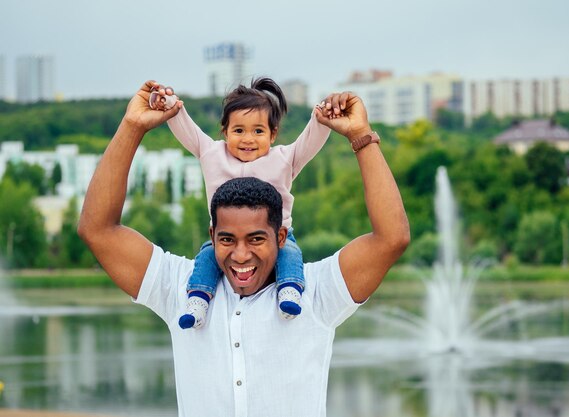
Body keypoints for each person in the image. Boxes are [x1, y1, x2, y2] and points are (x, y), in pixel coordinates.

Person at [77, 80, 410, 417]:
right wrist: (132, 126)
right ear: (212, 233)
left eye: (256, 239)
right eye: (226, 239)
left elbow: (390, 239)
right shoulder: (181, 287)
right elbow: (98, 230)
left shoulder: (316, 293)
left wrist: (361, 137)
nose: (240, 255)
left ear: (280, 237)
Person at [149, 77, 331, 328]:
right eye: (238, 131)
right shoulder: (212, 154)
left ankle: (289, 289)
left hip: (277, 236)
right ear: (225, 131)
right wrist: (168, 104)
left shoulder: (284, 159)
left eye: (258, 131)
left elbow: (310, 141)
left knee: (289, 253)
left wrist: (322, 117)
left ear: (272, 133)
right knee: (206, 258)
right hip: (225, 238)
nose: (248, 139)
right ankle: (198, 299)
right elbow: (186, 128)